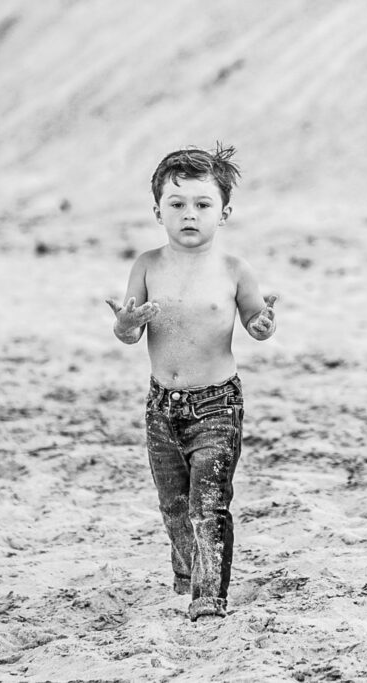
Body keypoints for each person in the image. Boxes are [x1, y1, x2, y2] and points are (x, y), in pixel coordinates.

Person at [105, 144, 277, 622]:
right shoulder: (146, 265)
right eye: (177, 204)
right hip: (162, 407)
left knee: (209, 503)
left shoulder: (234, 270)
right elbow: (128, 332)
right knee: (174, 504)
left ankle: (209, 596)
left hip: (217, 406)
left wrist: (263, 325)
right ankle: (186, 572)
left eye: (202, 205)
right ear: (157, 210)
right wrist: (125, 324)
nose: (189, 214)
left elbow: (257, 321)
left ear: (224, 212)